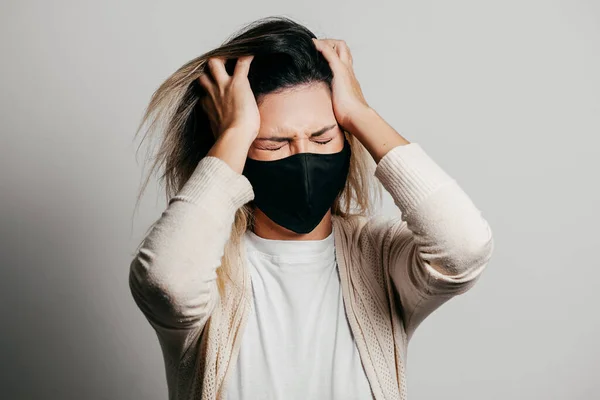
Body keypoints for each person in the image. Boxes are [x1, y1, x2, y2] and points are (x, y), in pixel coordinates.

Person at [128, 16, 494, 400]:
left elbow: (464, 248)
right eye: (273, 143)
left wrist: (361, 114)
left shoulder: (381, 259)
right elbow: (165, 284)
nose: (303, 157)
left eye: (322, 138)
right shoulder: (209, 272)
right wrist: (235, 133)